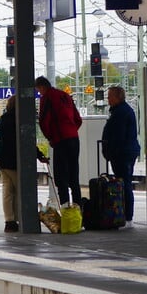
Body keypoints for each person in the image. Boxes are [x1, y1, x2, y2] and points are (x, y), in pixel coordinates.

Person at [0, 95, 49, 233]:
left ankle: (9, 221)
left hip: (3, 162)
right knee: (21, 191)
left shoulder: (3, 119)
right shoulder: (21, 120)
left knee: (7, 192)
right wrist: (40, 156)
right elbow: (28, 142)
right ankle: (22, 219)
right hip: (17, 162)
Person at [34, 76, 83, 207]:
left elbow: (44, 121)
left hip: (61, 141)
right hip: (74, 139)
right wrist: (71, 130)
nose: (39, 93)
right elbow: (78, 119)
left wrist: (51, 138)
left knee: (61, 179)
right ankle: (79, 212)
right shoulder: (65, 96)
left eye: (38, 90)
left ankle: (66, 211)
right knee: (74, 176)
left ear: (42, 87)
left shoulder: (47, 98)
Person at [101, 85, 140, 226]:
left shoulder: (120, 113)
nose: (108, 99)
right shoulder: (122, 111)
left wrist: (110, 151)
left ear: (118, 97)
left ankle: (127, 216)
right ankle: (125, 215)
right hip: (127, 151)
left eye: (110, 96)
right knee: (125, 182)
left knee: (124, 183)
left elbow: (118, 136)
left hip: (123, 153)